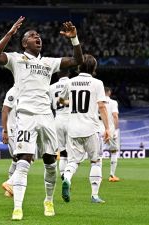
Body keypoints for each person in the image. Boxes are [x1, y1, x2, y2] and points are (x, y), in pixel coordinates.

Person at [0, 17, 83, 220]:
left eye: (38, 36)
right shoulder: (16, 59)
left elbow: (78, 61)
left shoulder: (49, 63)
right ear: (25, 43)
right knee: (23, 161)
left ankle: (48, 200)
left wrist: (74, 39)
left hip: (47, 117)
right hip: (25, 117)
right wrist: (10, 33)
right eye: (32, 36)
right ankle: (17, 208)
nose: (37, 37)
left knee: (50, 162)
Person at [59, 54, 110, 204]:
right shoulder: (97, 83)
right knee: (95, 161)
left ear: (79, 66)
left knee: (73, 161)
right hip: (91, 128)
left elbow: (61, 100)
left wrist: (71, 102)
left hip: (73, 128)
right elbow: (101, 106)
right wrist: (108, 128)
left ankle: (67, 178)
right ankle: (94, 195)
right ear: (94, 68)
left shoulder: (70, 82)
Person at [49, 69, 72, 179]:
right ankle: (68, 176)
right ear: (69, 73)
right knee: (71, 152)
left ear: (58, 75)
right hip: (70, 118)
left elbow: (48, 106)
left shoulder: (51, 87)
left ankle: (63, 176)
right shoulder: (72, 83)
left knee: (62, 152)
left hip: (57, 119)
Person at [99, 87, 120, 182]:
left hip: (99, 130)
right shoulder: (113, 102)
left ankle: (97, 175)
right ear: (109, 92)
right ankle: (112, 175)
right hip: (110, 130)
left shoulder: (97, 102)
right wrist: (115, 130)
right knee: (114, 152)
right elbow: (115, 116)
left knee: (99, 154)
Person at [1, 85, 17, 197]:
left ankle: (9, 188)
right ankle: (9, 183)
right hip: (14, 131)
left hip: (21, 130)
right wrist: (5, 131)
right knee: (26, 159)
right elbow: (4, 110)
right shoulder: (13, 91)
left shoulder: (27, 89)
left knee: (17, 159)